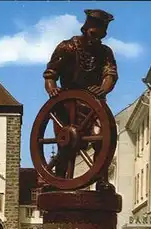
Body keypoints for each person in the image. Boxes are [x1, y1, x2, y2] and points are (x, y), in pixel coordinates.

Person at [41, 9, 118, 183]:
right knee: (67, 143)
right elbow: (51, 74)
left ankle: (102, 180)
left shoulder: (105, 52)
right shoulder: (66, 47)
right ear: (86, 28)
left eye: (101, 35)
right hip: (66, 105)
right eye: (93, 33)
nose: (96, 38)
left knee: (102, 137)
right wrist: (52, 89)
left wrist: (103, 89)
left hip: (93, 105)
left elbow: (110, 74)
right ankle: (60, 181)